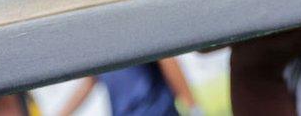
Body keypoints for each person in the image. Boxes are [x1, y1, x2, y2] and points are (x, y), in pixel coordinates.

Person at [57, 58, 198, 116]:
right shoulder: (96, 44)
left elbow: (167, 60)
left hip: (154, 110)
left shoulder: (130, 24)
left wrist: (194, 107)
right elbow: (89, 82)